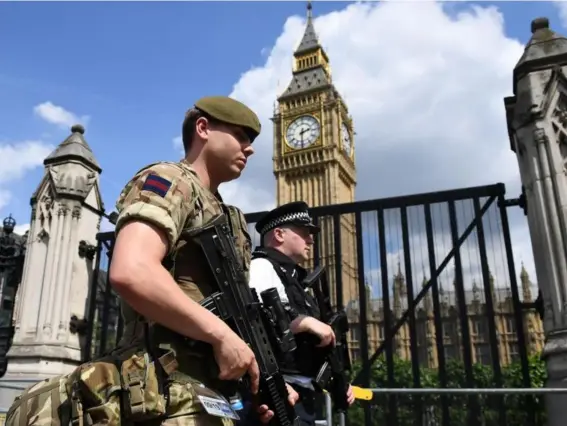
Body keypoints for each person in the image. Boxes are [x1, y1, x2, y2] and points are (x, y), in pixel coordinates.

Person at [108, 96, 298, 426]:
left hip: (207, 395)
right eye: (241, 135)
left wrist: (265, 378)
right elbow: (132, 270)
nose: (249, 148)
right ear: (203, 128)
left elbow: (241, 319)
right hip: (159, 388)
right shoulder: (169, 179)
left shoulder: (228, 217)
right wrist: (221, 336)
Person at [246, 201, 355, 426]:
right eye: (304, 233)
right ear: (278, 234)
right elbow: (255, 324)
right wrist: (305, 323)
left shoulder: (295, 279)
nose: (311, 240)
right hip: (279, 393)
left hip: (302, 396)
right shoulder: (262, 267)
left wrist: (338, 381)